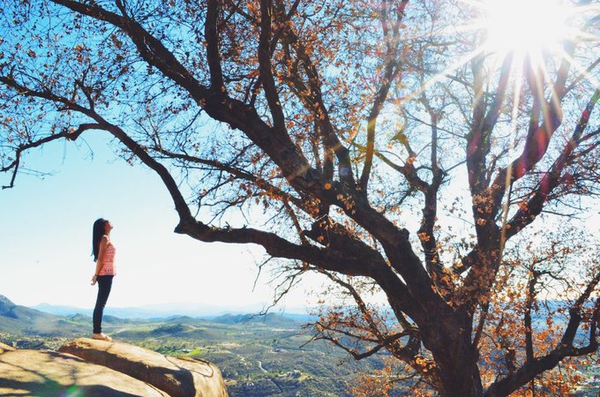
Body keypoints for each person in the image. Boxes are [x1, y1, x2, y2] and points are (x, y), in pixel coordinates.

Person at [91, 218, 116, 341]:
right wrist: (96, 275)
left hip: (106, 274)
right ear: (103, 225)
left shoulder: (106, 238)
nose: (110, 222)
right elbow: (100, 259)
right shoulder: (104, 238)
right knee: (100, 304)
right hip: (105, 274)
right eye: (107, 221)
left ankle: (97, 331)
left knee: (100, 304)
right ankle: (97, 332)